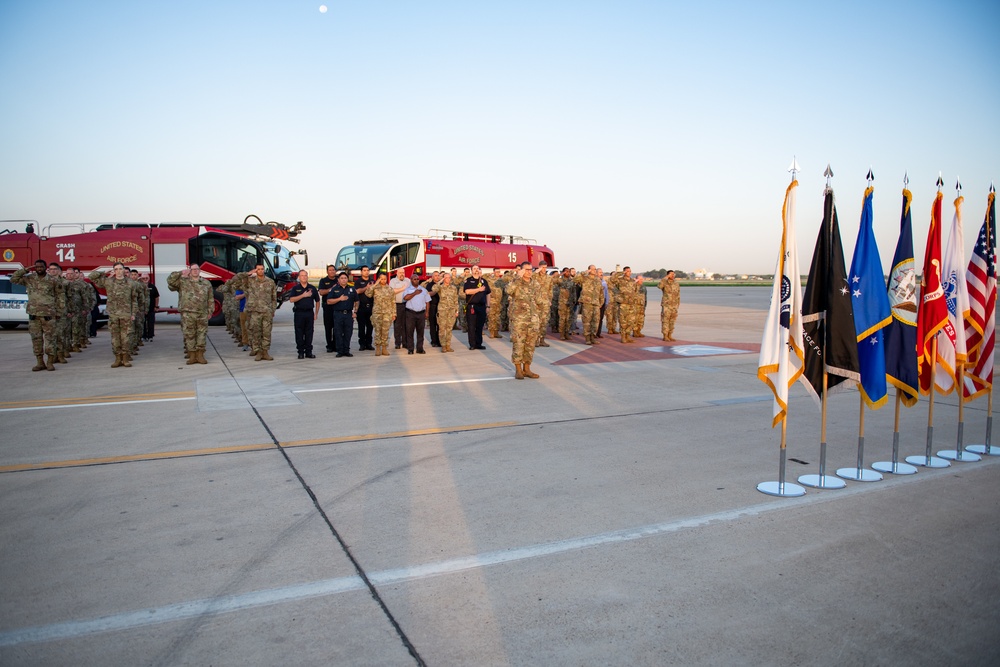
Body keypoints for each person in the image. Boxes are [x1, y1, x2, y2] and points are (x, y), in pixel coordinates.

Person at [12, 259, 64, 371]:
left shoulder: (52, 281)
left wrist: (59, 312)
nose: (39, 269)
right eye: (37, 267)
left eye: (41, 267)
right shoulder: (29, 279)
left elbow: (60, 297)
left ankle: (50, 362)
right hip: (34, 315)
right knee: (36, 339)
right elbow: (13, 279)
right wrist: (25, 269)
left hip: (48, 315)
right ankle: (40, 362)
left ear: (46, 268)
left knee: (50, 339)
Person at [90, 262, 139, 368]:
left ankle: (125, 358)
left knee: (126, 338)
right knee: (115, 338)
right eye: (116, 269)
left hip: (126, 314)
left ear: (124, 270)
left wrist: (133, 313)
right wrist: (104, 272)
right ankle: (117, 358)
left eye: (120, 269)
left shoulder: (131, 283)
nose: (118, 271)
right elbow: (91, 276)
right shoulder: (108, 282)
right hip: (113, 314)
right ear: (114, 270)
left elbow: (134, 299)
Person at [167, 264, 213, 364]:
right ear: (190, 271)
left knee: (202, 334)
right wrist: (181, 272)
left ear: (200, 271)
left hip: (202, 313)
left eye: (197, 269)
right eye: (193, 269)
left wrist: (210, 311)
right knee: (189, 335)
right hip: (187, 313)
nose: (195, 271)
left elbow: (210, 299)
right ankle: (192, 356)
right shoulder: (183, 282)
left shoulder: (206, 283)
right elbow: (170, 280)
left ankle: (200, 355)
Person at [506, 262, 546, 379]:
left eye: (531, 269)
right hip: (519, 319)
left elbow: (539, 300)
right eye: (526, 269)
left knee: (530, 344)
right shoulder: (515, 282)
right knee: (518, 343)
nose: (529, 272)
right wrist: (517, 277)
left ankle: (527, 369)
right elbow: (508, 291)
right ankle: (518, 369)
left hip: (533, 318)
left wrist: (540, 314)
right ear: (521, 271)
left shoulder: (535, 283)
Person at [234, 264, 277, 361]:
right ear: (255, 270)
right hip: (254, 312)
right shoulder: (249, 281)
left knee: (266, 332)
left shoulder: (270, 282)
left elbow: (274, 298)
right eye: (258, 269)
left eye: (262, 269)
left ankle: (265, 352)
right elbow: (236, 283)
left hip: (266, 312)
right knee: (256, 333)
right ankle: (258, 352)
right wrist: (248, 274)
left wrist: (272, 309)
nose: (260, 271)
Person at [288, 269, 321, 358]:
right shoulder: (296, 288)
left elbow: (317, 301)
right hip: (299, 313)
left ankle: (309, 351)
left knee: (309, 333)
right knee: (299, 332)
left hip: (309, 313)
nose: (304, 277)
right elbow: (291, 299)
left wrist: (316, 313)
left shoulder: (312, 288)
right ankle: (300, 352)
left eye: (305, 275)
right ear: (299, 277)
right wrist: (303, 295)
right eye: (302, 275)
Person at [327, 271, 357, 357]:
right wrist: (339, 299)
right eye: (342, 278)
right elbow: (329, 301)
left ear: (347, 279)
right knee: (338, 332)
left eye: (345, 278)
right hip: (338, 314)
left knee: (348, 332)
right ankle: (340, 350)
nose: (344, 280)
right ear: (338, 280)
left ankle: (346, 350)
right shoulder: (334, 289)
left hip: (348, 314)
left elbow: (357, 301)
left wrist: (355, 312)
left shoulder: (351, 289)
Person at [462, 265, 491, 350]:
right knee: (471, 326)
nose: (476, 270)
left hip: (482, 306)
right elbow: (467, 291)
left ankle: (479, 343)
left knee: (480, 326)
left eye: (477, 269)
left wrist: (488, 306)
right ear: (471, 271)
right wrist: (478, 289)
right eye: (474, 269)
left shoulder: (483, 281)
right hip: (472, 306)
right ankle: (472, 344)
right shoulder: (468, 281)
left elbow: (488, 293)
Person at [402, 274, 432, 354]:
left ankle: (420, 348)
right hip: (410, 313)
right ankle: (410, 349)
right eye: (414, 279)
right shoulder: (408, 289)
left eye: (417, 279)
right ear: (411, 280)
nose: (416, 280)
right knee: (409, 331)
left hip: (421, 313)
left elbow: (427, 302)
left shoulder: (424, 290)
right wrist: (415, 293)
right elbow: (405, 298)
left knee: (420, 332)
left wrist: (427, 312)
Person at [575, 265, 604, 345]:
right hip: (587, 303)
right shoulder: (584, 278)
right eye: (592, 269)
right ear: (589, 270)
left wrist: (601, 302)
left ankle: (593, 337)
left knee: (595, 321)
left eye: (595, 269)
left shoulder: (598, 280)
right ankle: (587, 339)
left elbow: (601, 292)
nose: (594, 270)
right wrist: (584, 272)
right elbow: (575, 279)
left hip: (596, 304)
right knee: (587, 321)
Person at [432, 272, 460, 352]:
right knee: (442, 329)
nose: (448, 279)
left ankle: (448, 345)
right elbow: (434, 289)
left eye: (449, 277)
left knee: (449, 329)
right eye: (446, 277)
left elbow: (456, 300)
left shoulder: (454, 288)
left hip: (451, 311)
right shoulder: (440, 287)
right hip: (442, 311)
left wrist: (456, 311)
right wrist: (440, 281)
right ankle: (443, 346)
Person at [370, 271, 396, 356]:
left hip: (387, 313)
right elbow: (368, 294)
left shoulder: (390, 289)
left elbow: (393, 302)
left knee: (385, 331)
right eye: (381, 279)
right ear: (378, 279)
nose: (383, 280)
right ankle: (378, 347)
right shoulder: (375, 288)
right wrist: (375, 284)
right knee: (377, 331)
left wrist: (394, 313)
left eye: (385, 279)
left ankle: (384, 348)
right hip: (377, 313)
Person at [533, 261, 556, 347]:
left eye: (545, 267)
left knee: (544, 322)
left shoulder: (549, 278)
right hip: (536, 302)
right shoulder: (534, 276)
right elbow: (530, 278)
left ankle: (542, 340)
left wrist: (550, 300)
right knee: (536, 322)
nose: (544, 269)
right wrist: (536, 271)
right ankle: (535, 341)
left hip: (545, 302)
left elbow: (550, 290)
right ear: (539, 267)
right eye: (542, 267)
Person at [353, 265, 375, 351]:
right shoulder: (358, 281)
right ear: (361, 272)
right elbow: (357, 291)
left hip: (371, 307)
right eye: (364, 270)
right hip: (361, 307)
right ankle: (362, 344)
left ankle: (369, 344)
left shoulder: (372, 281)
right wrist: (367, 287)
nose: (366, 272)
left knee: (370, 327)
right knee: (361, 327)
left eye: (367, 270)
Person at [317, 265, 338, 353]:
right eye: (330, 270)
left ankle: (336, 345)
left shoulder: (339, 280)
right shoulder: (323, 281)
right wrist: (331, 289)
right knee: (328, 327)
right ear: (327, 272)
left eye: (333, 270)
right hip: (327, 307)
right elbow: (321, 292)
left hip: (337, 306)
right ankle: (329, 345)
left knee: (337, 327)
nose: (332, 271)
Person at [389, 267, 409, 349]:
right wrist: (402, 289)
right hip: (397, 305)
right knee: (397, 325)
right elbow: (392, 291)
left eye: (403, 272)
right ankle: (397, 343)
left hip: (407, 305)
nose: (402, 274)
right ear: (397, 273)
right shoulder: (393, 281)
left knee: (406, 325)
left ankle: (405, 342)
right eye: (400, 272)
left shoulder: (408, 280)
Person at [658, 270, 681, 341]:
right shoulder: (664, 282)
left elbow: (678, 294)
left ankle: (670, 335)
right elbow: (659, 286)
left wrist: (678, 303)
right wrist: (665, 278)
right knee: (665, 320)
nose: (672, 276)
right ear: (667, 275)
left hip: (674, 305)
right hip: (667, 305)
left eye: (673, 274)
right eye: (671, 274)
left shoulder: (676, 283)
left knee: (672, 321)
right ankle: (665, 336)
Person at [423, 271, 442, 347]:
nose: (437, 277)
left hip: (441, 307)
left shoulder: (442, 284)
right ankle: (434, 341)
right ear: (432, 277)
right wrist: (436, 289)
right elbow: (429, 293)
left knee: (440, 325)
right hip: (433, 306)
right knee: (433, 324)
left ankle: (439, 340)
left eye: (438, 275)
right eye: (436, 275)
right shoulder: (429, 285)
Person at [557, 267, 576, 340]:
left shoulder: (571, 281)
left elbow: (573, 291)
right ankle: (562, 334)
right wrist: (561, 274)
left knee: (568, 319)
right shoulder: (560, 280)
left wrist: (574, 300)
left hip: (570, 302)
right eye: (566, 271)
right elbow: (553, 280)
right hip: (562, 303)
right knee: (562, 319)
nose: (568, 273)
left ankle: (567, 333)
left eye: (569, 271)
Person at [141, 274, 159, 341]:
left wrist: (156, 306)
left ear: (149, 278)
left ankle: (150, 336)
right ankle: (143, 336)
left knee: (151, 323)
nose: (145, 279)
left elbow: (156, 297)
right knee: (142, 323)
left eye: (146, 278)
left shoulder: (152, 286)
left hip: (151, 308)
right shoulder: (139, 286)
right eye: (143, 278)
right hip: (142, 309)